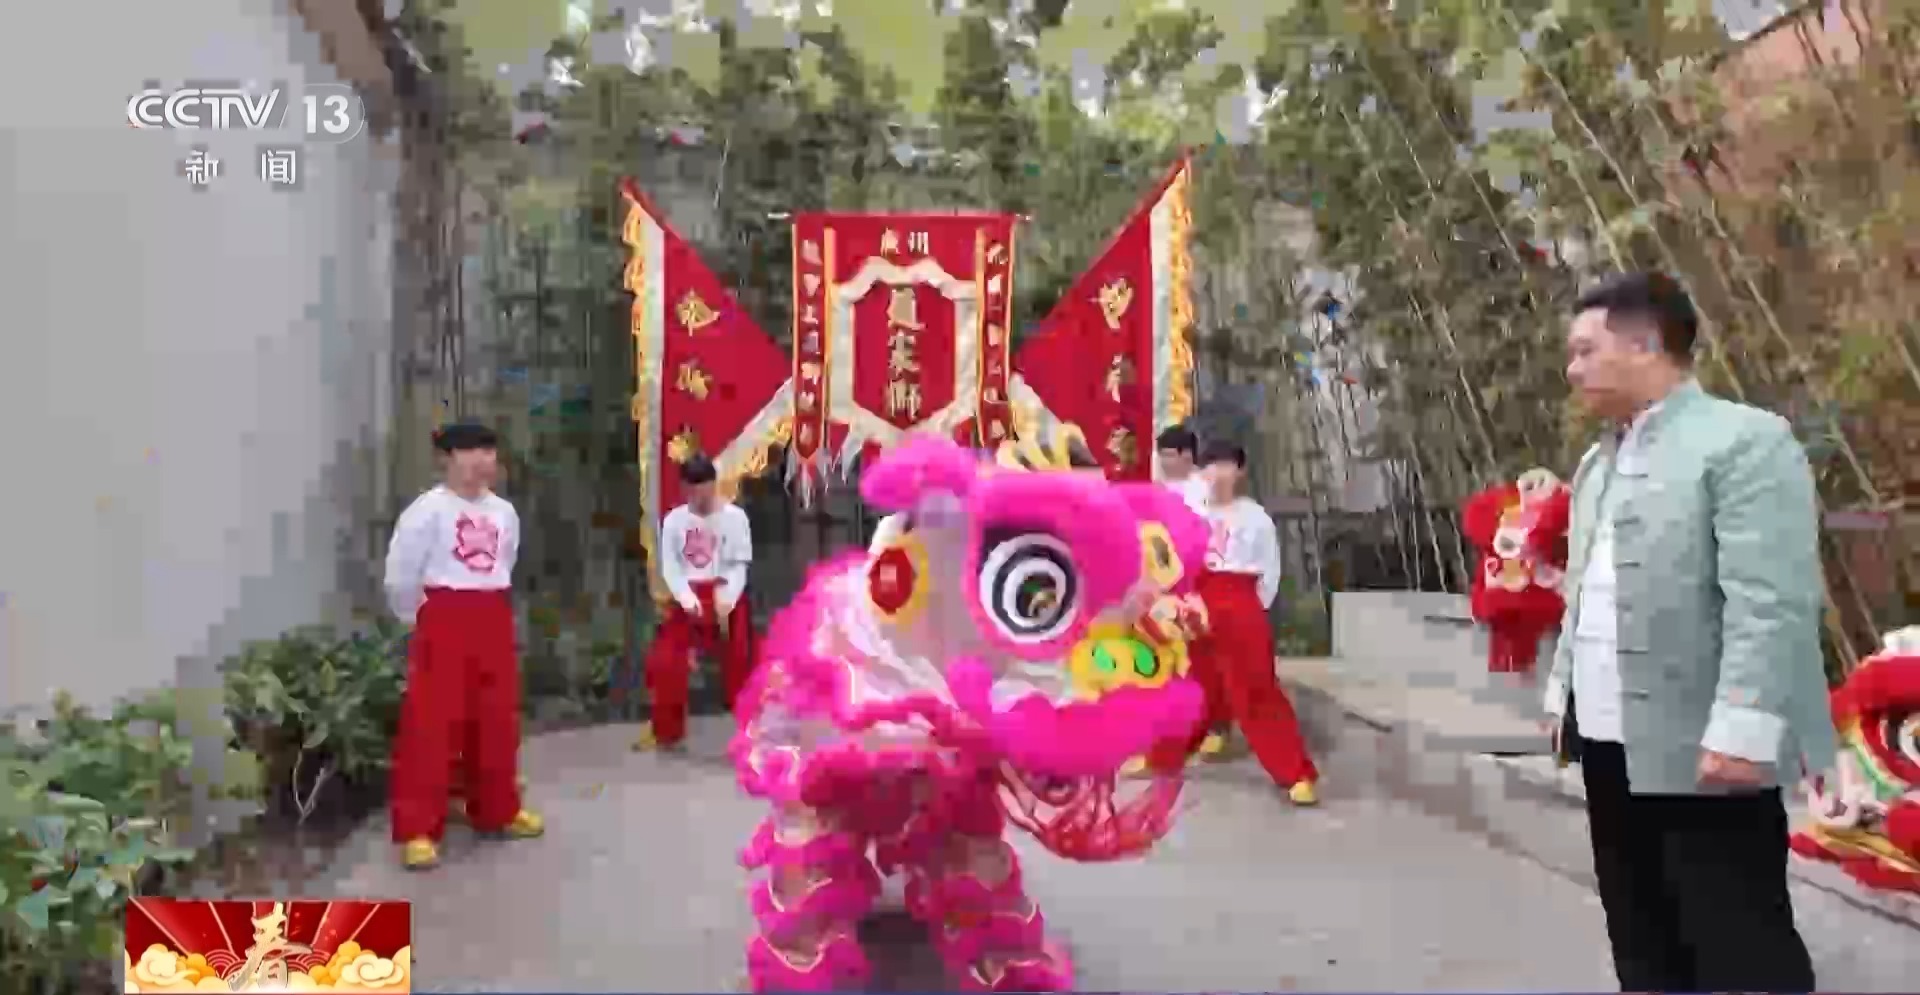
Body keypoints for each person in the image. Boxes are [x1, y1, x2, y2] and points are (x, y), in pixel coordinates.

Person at [1545, 272, 1834, 993]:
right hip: (1608, 741)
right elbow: (1586, 592)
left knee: (1737, 939)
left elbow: (1771, 600)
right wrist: (1563, 697)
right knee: (1641, 934)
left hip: (1704, 744)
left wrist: (1742, 725)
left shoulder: (1743, 441)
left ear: (1645, 344)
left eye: (1585, 350)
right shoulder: (1599, 462)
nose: (1572, 369)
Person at [383, 422, 544, 871]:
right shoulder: (426, 511)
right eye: (469, 451)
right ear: (446, 459)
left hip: (492, 616)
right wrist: (420, 618)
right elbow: (401, 576)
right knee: (432, 723)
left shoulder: (504, 513)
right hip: (444, 617)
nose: (481, 461)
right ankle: (418, 827)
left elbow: (505, 562)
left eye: (488, 451)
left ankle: (497, 808)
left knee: (497, 717)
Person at [1148, 440, 1319, 804]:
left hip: (1239, 601)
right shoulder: (1189, 510)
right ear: (1201, 471)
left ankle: (1295, 772)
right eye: (1210, 466)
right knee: (1190, 684)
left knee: (1256, 688)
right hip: (1195, 600)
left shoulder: (1256, 518)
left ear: (1239, 471)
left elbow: (1269, 573)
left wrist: (1250, 611)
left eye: (1226, 465)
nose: (1217, 473)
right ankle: (1162, 756)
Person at [635, 454, 756, 751]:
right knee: (665, 661)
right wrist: (687, 600)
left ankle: (754, 732)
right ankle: (668, 732)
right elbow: (672, 567)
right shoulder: (674, 521)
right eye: (693, 491)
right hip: (689, 595)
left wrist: (727, 598)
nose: (699, 497)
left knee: (744, 659)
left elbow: (738, 565)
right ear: (684, 489)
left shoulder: (735, 518)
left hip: (726, 595)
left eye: (705, 489)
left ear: (714, 485)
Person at [1154, 425, 1209, 513]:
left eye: (1169, 455)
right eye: (1162, 455)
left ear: (1187, 456)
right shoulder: (1154, 487)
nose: (1164, 461)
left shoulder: (1203, 489)